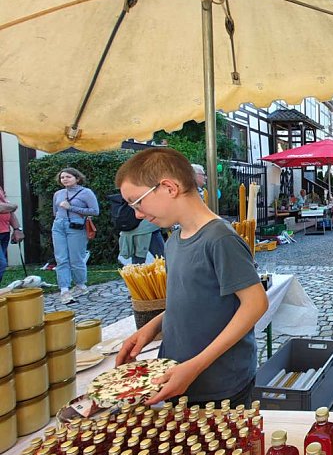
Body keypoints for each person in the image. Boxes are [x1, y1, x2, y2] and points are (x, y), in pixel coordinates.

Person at [114, 148, 268, 406]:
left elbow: (255, 304)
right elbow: (189, 300)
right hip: (178, 375)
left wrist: (195, 366)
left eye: (137, 201)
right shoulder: (175, 240)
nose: (137, 213)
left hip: (219, 385)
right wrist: (150, 328)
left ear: (168, 187)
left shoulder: (220, 238)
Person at [51, 168, 99, 304]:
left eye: (68, 177)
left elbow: (95, 211)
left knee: (76, 258)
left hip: (76, 226)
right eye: (62, 177)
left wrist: (71, 208)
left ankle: (81, 285)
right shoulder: (58, 194)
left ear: (77, 178)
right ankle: (64, 289)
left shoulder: (86, 193)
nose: (65, 179)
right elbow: (55, 212)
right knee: (61, 258)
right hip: (59, 225)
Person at [0, 186, 25, 285]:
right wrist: (13, 206)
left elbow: (7, 210)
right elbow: (2, 208)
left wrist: (17, 229)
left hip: (4, 233)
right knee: (1, 264)